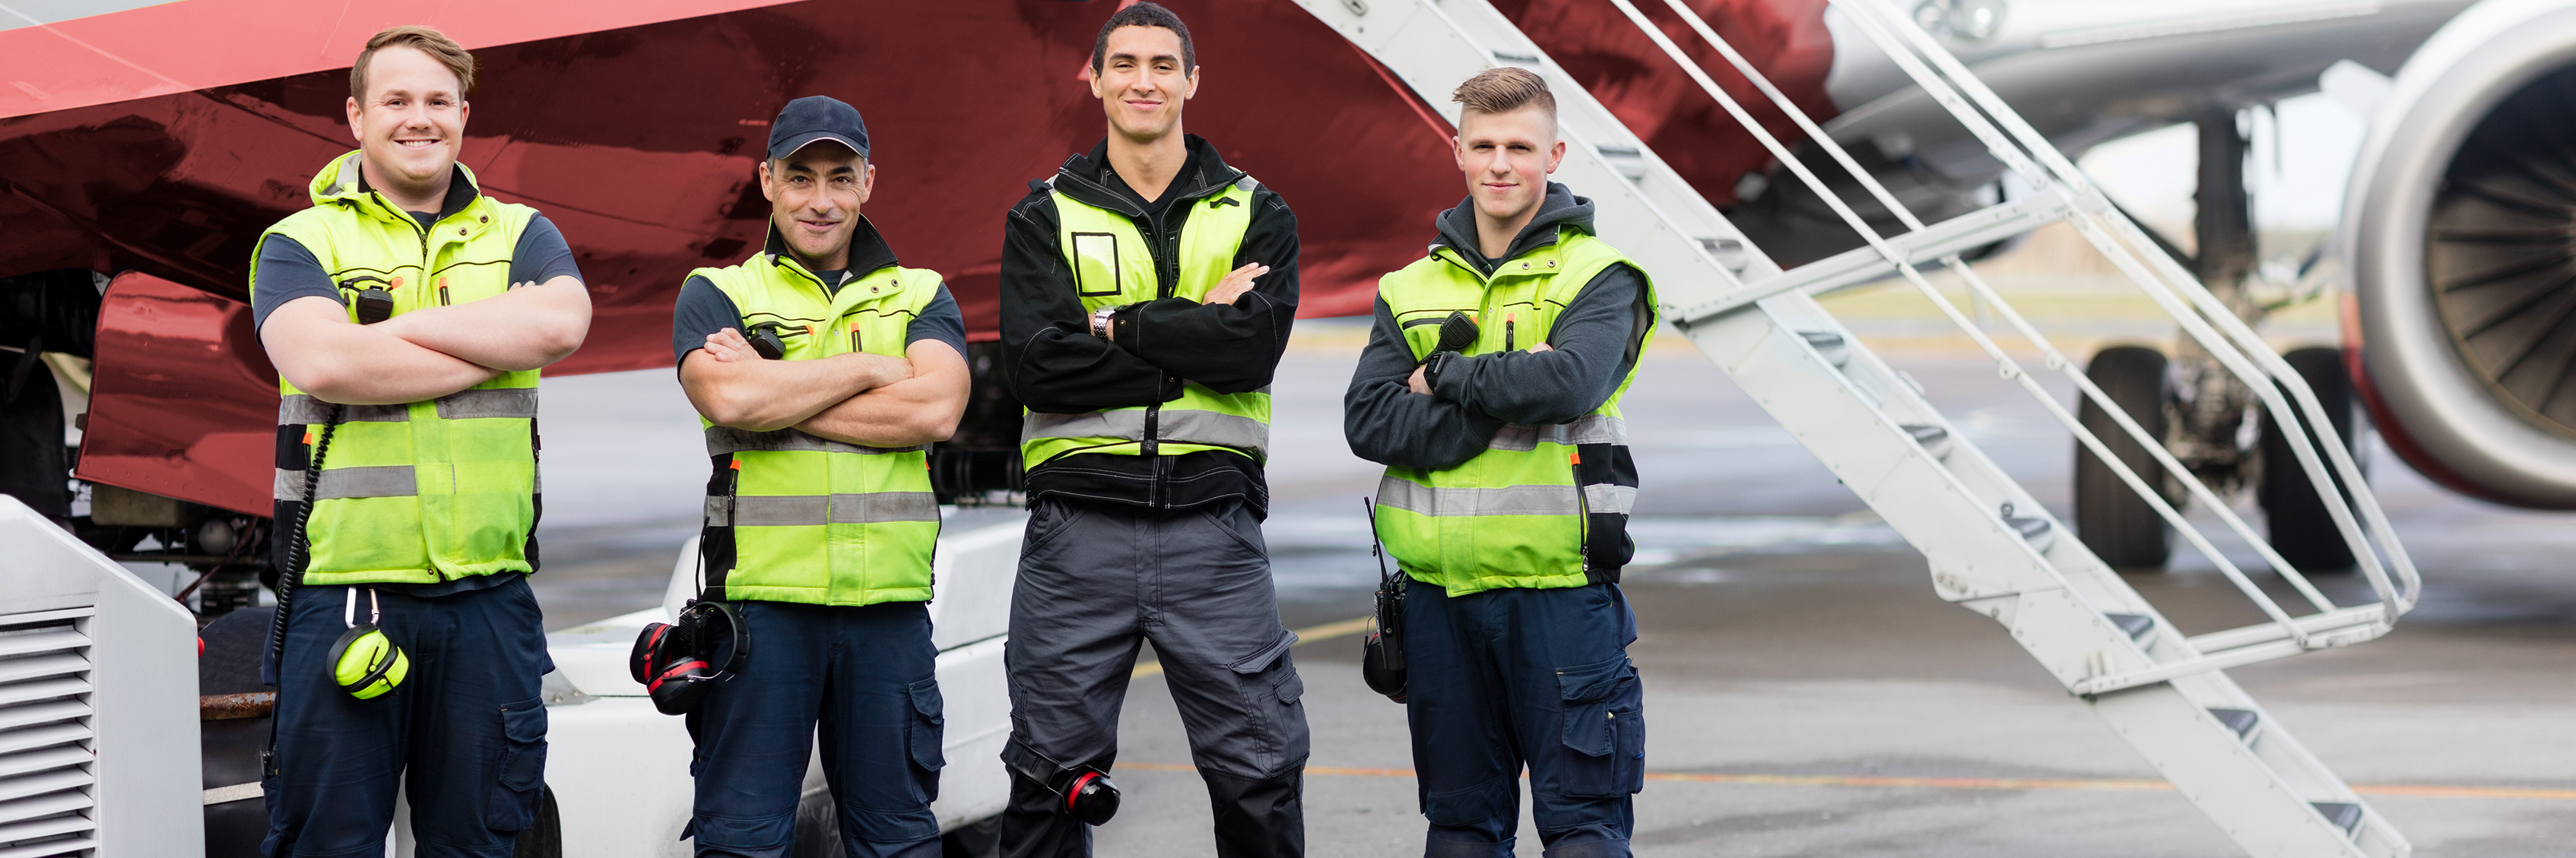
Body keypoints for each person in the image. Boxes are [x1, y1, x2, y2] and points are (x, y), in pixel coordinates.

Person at [252, 25, 591, 856]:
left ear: (464, 116)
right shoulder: (301, 241)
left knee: (484, 841)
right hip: (343, 594)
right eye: (396, 100)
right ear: (356, 115)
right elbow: (324, 361)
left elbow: (561, 323)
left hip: (488, 600)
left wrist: (395, 338)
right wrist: (487, 345)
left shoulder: (522, 232)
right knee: (326, 842)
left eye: (438, 101)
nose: (419, 119)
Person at [995, 3, 1306, 856]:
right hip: (1077, 531)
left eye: (1163, 65)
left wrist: (1107, 325)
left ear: (1192, 81)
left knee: (1260, 772)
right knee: (1048, 777)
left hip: (1212, 527)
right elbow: (1035, 368)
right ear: (1092, 79)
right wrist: (1187, 328)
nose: (1144, 80)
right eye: (1124, 63)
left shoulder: (1256, 212)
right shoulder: (1043, 216)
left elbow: (1250, 351)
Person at [1342, 68, 1657, 858]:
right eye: (1483, 145)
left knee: (1583, 831)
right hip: (1439, 603)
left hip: (1558, 598)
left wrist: (1442, 377)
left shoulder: (1600, 276)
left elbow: (1570, 382)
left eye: (1519, 146)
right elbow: (1368, 419)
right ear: (1456, 151)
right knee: (1457, 834)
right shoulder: (1408, 286)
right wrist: (1503, 396)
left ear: (1554, 153)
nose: (1500, 164)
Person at [671, 95, 972, 857]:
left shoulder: (920, 292)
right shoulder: (719, 291)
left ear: (868, 182)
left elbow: (935, 409)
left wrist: (782, 389)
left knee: (898, 838)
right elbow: (731, 396)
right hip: (764, 614)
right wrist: (873, 366)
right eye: (800, 178)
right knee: (741, 838)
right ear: (766, 180)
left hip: (888, 615)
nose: (820, 199)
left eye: (840, 178)